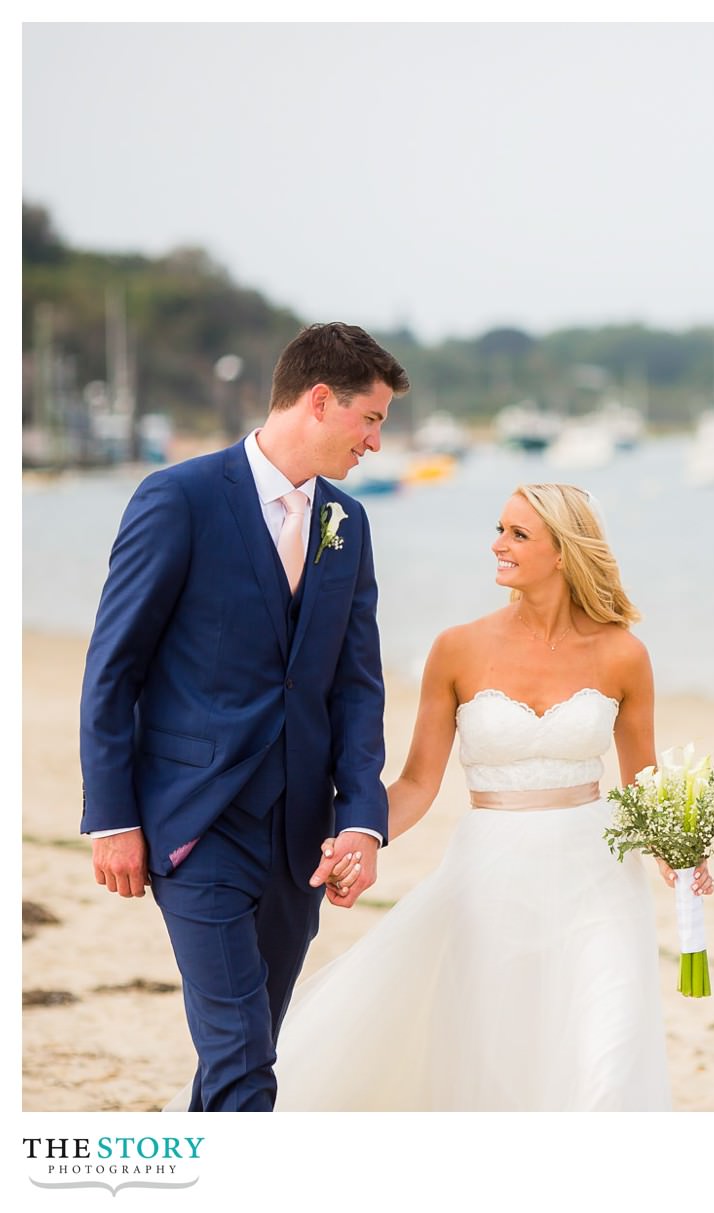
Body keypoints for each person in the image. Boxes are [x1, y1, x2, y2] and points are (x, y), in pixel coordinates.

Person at [180, 483, 707, 1111]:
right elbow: (418, 784)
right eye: (499, 529)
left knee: (608, 1051)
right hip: (492, 878)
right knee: (499, 1055)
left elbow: (641, 778)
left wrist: (678, 848)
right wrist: (358, 835)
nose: (498, 545)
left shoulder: (624, 653)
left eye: (517, 535)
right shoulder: (457, 648)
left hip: (598, 879)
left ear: (563, 552)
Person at [79, 322, 409, 1112]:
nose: (374, 442)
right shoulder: (180, 498)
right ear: (320, 401)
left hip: (300, 841)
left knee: (246, 1044)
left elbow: (355, 686)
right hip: (195, 826)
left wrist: (361, 820)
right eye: (370, 419)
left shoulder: (347, 523)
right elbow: (112, 666)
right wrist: (112, 817)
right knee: (243, 1065)